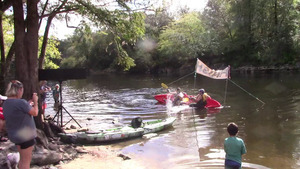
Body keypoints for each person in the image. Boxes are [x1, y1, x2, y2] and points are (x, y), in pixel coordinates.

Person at [3, 80, 38, 169]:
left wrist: (28, 104)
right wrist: (35, 101)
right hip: (26, 135)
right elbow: (35, 112)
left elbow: (18, 113)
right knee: (26, 161)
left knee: (22, 160)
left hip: (15, 135)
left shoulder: (6, 103)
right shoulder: (21, 102)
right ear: (19, 90)